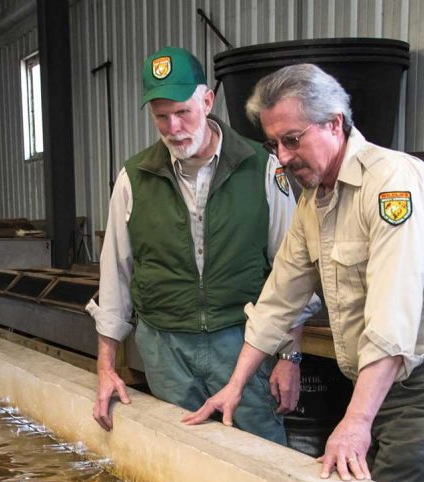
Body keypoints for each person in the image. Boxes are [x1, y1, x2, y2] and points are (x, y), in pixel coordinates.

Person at [184, 63, 424, 482]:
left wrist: (356, 421)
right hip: (377, 375)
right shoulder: (314, 201)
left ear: (334, 123)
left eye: (292, 139)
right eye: (273, 143)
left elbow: (391, 316)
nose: (281, 157)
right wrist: (235, 385)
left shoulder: (392, 185)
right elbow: (279, 300)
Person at [87, 46, 320, 445]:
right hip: (166, 348)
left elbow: (291, 273)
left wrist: (289, 357)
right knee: (180, 455)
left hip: (242, 342)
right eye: (162, 117)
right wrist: (106, 366)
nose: (174, 127)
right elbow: (116, 277)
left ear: (207, 101)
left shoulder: (260, 168)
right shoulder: (133, 178)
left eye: (183, 112)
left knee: (260, 455)